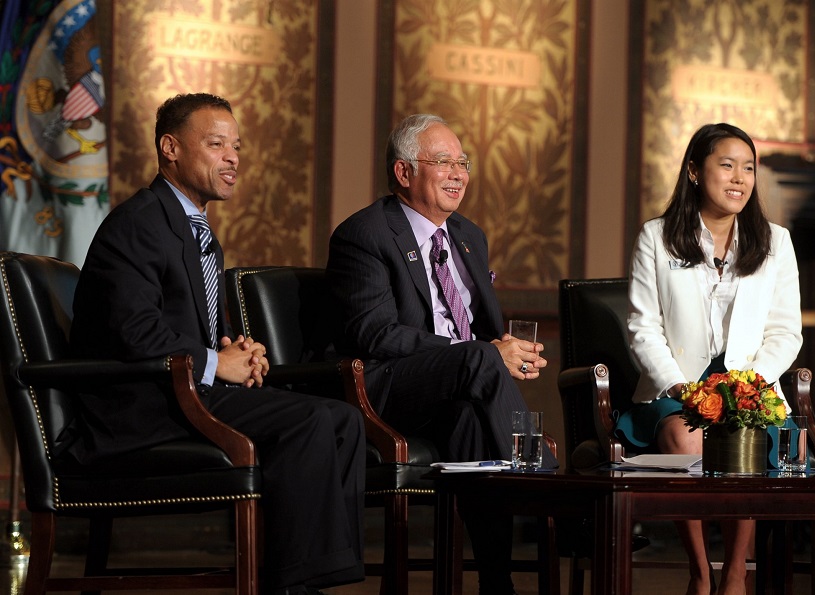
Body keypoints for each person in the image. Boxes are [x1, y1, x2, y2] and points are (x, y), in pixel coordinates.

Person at [69, 93, 365, 595]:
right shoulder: (139, 222)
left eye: (237, 147)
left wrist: (236, 351)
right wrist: (214, 363)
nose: (233, 158)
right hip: (139, 406)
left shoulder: (193, 226)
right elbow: (133, 331)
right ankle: (295, 583)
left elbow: (184, 327)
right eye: (216, 144)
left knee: (343, 418)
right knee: (312, 419)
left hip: (186, 390)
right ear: (170, 148)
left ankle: (310, 576)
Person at [326, 113, 556, 595]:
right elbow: (373, 332)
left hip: (463, 387)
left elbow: (486, 332)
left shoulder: (470, 236)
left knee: (470, 420)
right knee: (476, 358)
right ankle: (552, 490)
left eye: (463, 163)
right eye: (443, 162)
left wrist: (514, 352)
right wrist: (483, 353)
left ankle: (498, 581)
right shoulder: (364, 235)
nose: (458, 174)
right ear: (404, 172)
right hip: (389, 385)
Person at [619, 123, 803, 595]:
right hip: (679, 382)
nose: (739, 177)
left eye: (748, 168)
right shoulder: (656, 237)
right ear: (695, 172)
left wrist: (748, 385)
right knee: (685, 438)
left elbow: (785, 332)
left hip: (749, 381)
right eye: (727, 165)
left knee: (747, 436)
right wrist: (682, 388)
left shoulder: (775, 242)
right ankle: (701, 572)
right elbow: (643, 327)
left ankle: (736, 572)